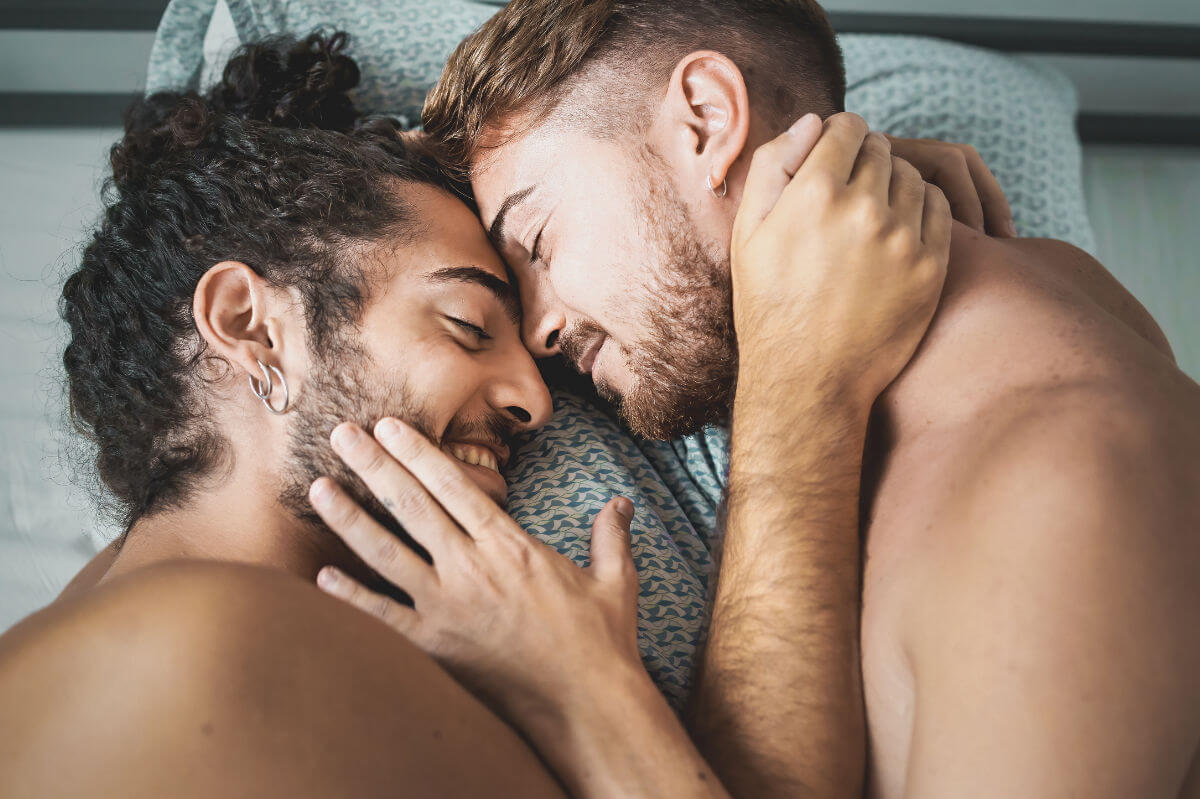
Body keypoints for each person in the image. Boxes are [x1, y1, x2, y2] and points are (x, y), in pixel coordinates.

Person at [0, 33, 992, 797]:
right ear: (250, 326)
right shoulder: (206, 646)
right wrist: (585, 697)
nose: (530, 398)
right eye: (469, 323)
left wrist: (793, 195)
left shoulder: (141, 610)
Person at [315, 2, 1200, 798]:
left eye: (538, 241)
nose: (539, 338)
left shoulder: (1063, 497)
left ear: (705, 119)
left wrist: (580, 698)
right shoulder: (1026, 310)